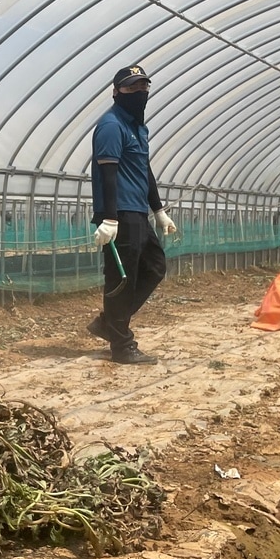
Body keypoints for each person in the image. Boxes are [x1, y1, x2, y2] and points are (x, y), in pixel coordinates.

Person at [87, 64, 179, 365]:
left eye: (143, 87)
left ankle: (109, 323)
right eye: (131, 88)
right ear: (116, 92)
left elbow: (144, 170)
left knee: (154, 267)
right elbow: (108, 173)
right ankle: (122, 346)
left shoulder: (138, 128)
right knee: (120, 279)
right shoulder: (112, 126)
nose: (139, 93)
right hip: (121, 213)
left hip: (138, 211)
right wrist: (109, 218)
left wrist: (159, 211)